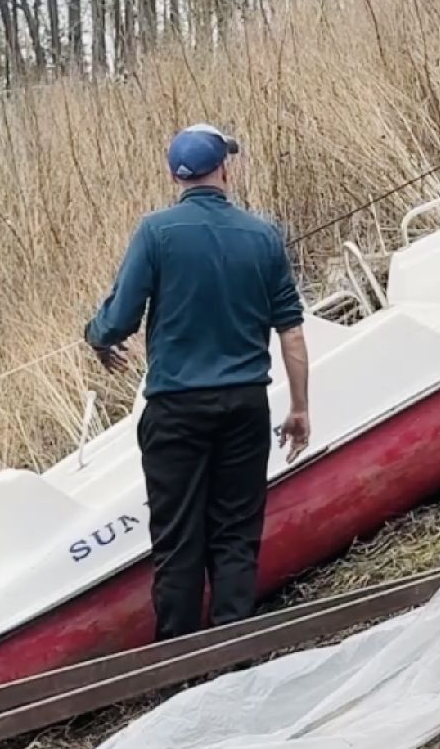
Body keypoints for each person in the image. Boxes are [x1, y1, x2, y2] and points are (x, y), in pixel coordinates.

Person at [85, 124, 312, 642]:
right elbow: (292, 334)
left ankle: (179, 668)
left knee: (177, 539)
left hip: (176, 412)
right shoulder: (263, 235)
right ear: (225, 170)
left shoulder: (155, 233)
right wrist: (299, 407)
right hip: (243, 406)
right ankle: (233, 659)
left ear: (174, 175)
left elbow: (119, 319)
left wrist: (96, 334)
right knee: (235, 536)